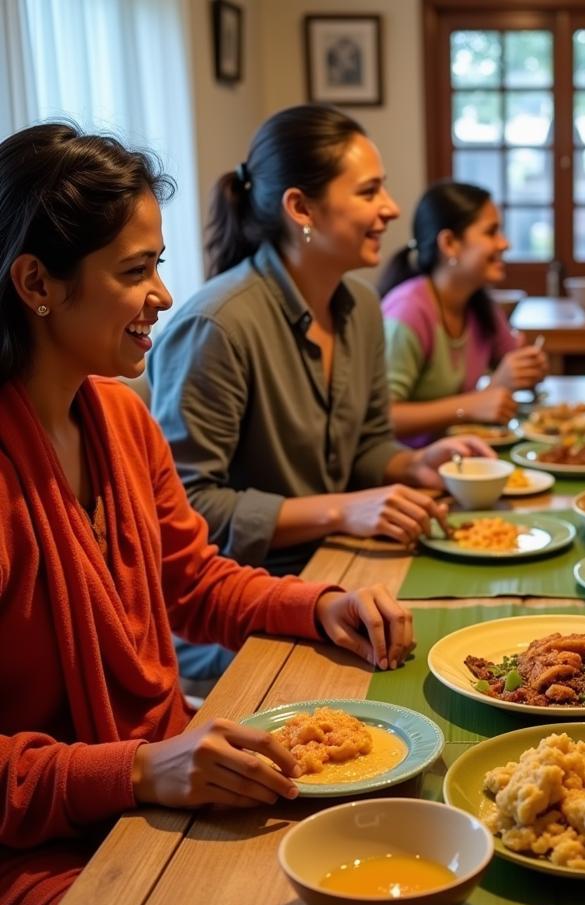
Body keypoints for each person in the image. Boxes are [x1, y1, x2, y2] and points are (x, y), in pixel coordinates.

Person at [0, 123, 415, 905]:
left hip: (156, 775)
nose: (163, 293)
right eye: (133, 271)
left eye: (157, 263)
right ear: (36, 282)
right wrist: (139, 769)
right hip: (41, 847)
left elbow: (191, 580)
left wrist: (320, 603)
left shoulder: (117, 417)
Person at [149, 106, 491, 680]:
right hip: (238, 621)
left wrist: (414, 461)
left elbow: (366, 446)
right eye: (369, 191)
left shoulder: (357, 309)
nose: (391, 208)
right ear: (300, 208)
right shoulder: (218, 326)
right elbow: (187, 509)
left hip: (339, 576)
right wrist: (344, 508)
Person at [378, 180, 547, 445]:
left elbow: (510, 365)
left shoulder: (479, 305)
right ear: (449, 243)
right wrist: (472, 404)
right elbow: (384, 416)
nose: (505, 244)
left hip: (460, 457)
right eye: (492, 232)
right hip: (409, 469)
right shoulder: (408, 311)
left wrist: (528, 369)